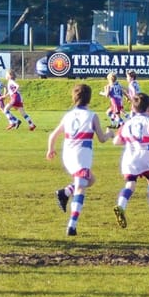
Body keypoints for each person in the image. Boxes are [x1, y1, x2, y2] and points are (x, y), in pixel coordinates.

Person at [48, 83, 112, 236]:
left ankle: (64, 192)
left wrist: (51, 149)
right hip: (81, 154)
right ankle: (72, 225)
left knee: (91, 180)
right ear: (89, 98)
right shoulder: (92, 116)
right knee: (81, 188)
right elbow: (102, 139)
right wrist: (110, 133)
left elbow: (53, 135)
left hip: (68, 154)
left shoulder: (68, 115)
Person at [112, 92, 149, 228]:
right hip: (143, 156)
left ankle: (121, 206)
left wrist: (128, 140)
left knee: (130, 184)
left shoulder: (127, 124)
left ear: (132, 108)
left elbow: (116, 141)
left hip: (128, 158)